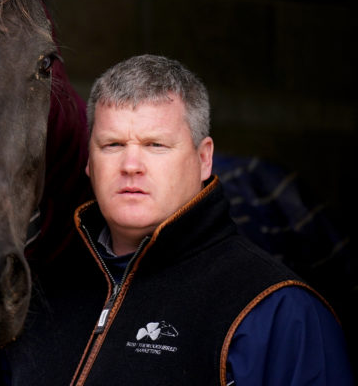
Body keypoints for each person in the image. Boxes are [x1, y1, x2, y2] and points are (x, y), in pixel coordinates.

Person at [69, 54, 353, 385]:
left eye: (156, 145)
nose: (131, 165)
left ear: (204, 160)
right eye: (113, 144)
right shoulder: (36, 296)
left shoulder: (279, 311)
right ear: (89, 160)